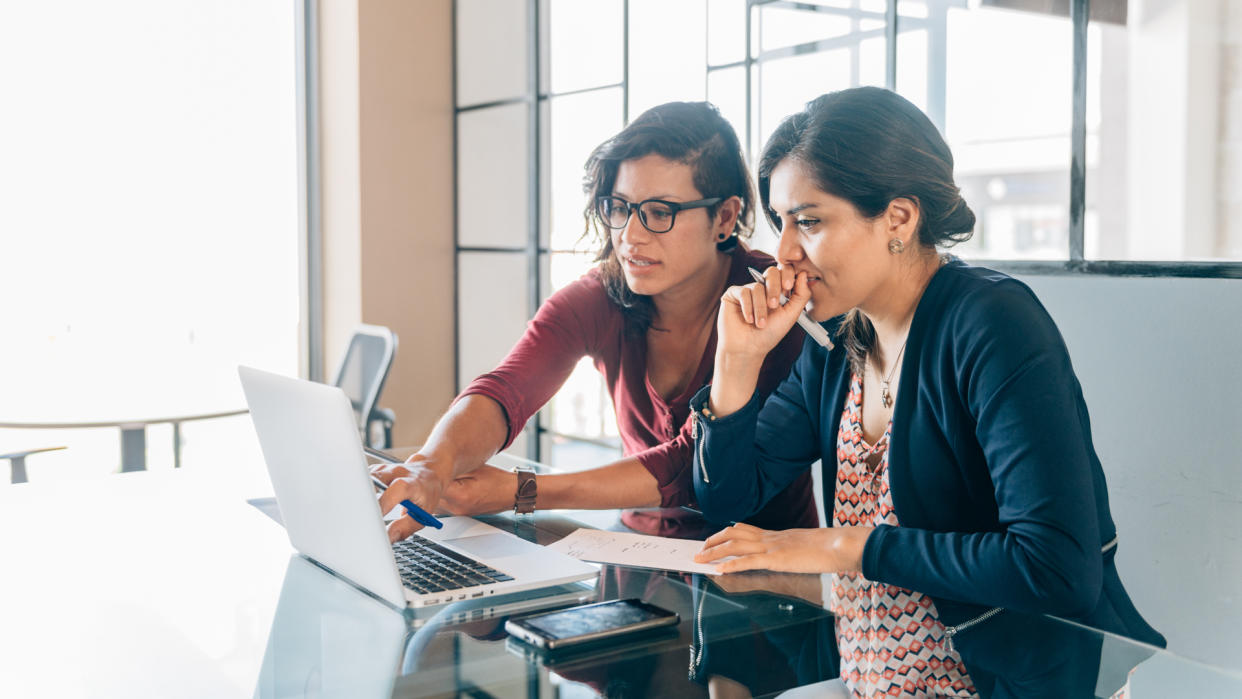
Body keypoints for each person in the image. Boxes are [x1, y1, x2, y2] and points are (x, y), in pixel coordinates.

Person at [689, 87, 1164, 697]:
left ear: (899, 218)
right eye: (781, 222)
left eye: (809, 221)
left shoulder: (992, 324)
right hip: (867, 682)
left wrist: (843, 546)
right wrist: (736, 363)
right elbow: (728, 497)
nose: (783, 252)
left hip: (997, 687)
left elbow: (1056, 568)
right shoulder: (839, 339)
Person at [373, 101, 816, 540]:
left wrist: (521, 490)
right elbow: (507, 388)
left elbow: (687, 467)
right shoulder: (603, 294)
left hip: (764, 575)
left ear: (724, 217)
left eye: (660, 212)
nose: (630, 235)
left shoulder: (772, 305)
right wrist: (433, 464)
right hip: (636, 550)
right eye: (620, 207)